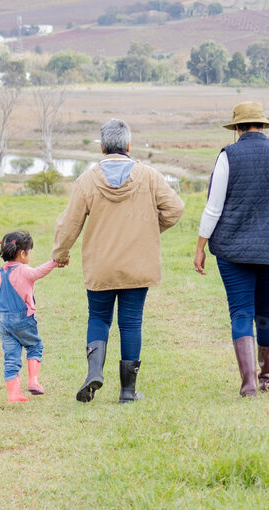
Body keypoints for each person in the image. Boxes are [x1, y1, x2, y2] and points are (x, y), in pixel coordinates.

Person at [52, 119, 185, 404]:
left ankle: (94, 373)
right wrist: (148, 231)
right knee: (131, 323)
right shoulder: (149, 176)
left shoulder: (87, 180)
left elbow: (68, 224)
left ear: (101, 147)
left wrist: (60, 254)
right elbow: (175, 208)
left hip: (100, 266)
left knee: (98, 318)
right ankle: (127, 391)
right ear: (128, 146)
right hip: (138, 264)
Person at [191, 101, 269, 397]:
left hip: (233, 252)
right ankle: (267, 377)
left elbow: (213, 208)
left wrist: (200, 247)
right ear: (263, 126)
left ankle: (248, 384)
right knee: (267, 313)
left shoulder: (228, 156)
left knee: (240, 313)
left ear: (237, 128)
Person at [0, 230, 60, 404]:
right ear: (23, 253)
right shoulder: (24, 270)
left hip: (4, 320)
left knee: (10, 357)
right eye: (29, 252)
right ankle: (33, 382)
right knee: (35, 346)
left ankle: (14, 394)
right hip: (23, 318)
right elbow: (39, 272)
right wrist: (54, 263)